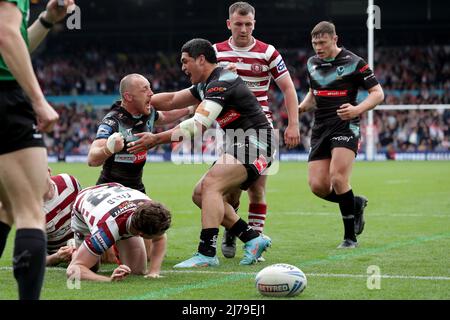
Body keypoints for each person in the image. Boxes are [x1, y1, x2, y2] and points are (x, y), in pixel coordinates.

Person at [127, 38, 273, 267]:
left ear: (201, 59)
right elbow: (174, 99)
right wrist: (137, 98)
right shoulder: (207, 84)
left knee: (211, 185)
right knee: (199, 194)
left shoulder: (220, 82)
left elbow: (197, 125)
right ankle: (252, 238)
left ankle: (206, 253)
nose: (183, 67)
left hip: (256, 142)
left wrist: (156, 139)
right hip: (243, 143)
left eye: (185, 61)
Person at [213, 2, 300, 259]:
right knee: (230, 190)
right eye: (238, 24)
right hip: (227, 127)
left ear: (254, 23)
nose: (243, 29)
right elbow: (199, 88)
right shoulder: (215, 52)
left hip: (261, 126)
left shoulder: (268, 52)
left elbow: (288, 88)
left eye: (248, 24)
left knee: (257, 188)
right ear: (229, 24)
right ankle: (232, 229)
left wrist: (293, 123)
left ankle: (256, 244)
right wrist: (219, 75)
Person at [0, 0, 74, 300]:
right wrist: (38, 100)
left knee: (6, 209)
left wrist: (45, 20)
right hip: (5, 97)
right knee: (31, 211)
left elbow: (12, 45)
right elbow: (5, 36)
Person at [87, 73, 193, 265]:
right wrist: (109, 148)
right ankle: (81, 244)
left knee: (149, 255)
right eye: (145, 90)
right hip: (111, 192)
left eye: (150, 88)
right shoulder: (112, 121)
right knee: (107, 259)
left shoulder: (149, 112)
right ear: (128, 96)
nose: (151, 94)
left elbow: (166, 116)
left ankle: (119, 246)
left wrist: (190, 109)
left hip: (136, 191)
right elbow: (92, 159)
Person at [298, 21, 384, 248]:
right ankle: (354, 203)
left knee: (338, 178)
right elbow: (313, 93)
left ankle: (349, 238)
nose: (318, 47)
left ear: (335, 39)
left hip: (346, 125)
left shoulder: (354, 62)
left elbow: (378, 93)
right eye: (315, 43)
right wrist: (298, 108)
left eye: (322, 42)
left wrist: (357, 109)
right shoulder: (312, 63)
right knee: (318, 186)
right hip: (320, 127)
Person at [66, 182, 171, 281]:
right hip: (84, 204)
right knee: (92, 268)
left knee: (137, 270)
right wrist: (108, 280)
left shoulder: (148, 207)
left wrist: (153, 272)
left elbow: (160, 238)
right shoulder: (106, 230)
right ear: (141, 234)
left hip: (114, 193)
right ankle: (74, 247)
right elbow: (73, 270)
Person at [43, 169, 81, 266]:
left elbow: (86, 213)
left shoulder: (68, 182)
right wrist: (56, 257)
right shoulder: (32, 211)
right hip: (57, 252)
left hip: (86, 242)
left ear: (48, 171)